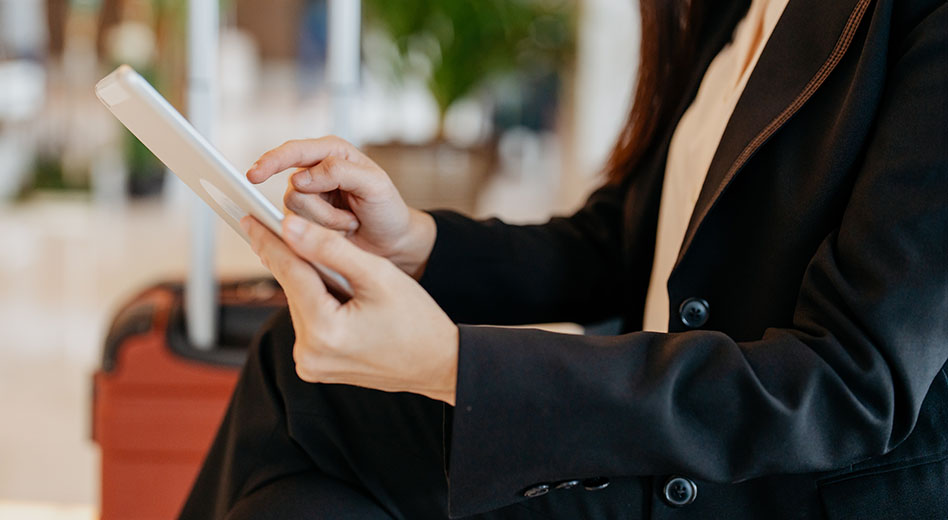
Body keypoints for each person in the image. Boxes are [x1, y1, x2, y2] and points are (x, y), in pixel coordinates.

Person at [180, 0, 948, 517]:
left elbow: (850, 386)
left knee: (299, 402)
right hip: (646, 441)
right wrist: (416, 243)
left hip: (754, 484)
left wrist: (452, 363)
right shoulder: (736, 12)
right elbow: (624, 246)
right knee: (297, 425)